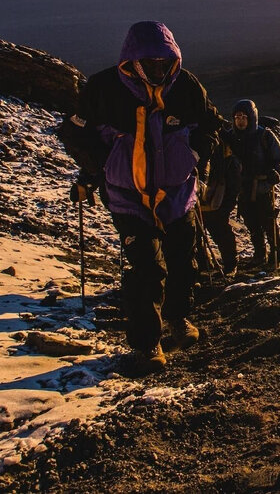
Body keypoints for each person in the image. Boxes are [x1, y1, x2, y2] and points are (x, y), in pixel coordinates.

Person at [58, 21, 221, 374]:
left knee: (183, 261)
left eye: (165, 63)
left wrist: (196, 158)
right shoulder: (103, 90)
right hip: (128, 197)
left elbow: (211, 125)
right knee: (147, 267)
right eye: (151, 63)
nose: (158, 70)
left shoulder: (187, 86)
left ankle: (178, 319)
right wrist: (97, 169)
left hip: (178, 194)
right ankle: (148, 345)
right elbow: (74, 133)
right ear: (132, 61)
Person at [225, 100, 280, 269]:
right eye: (237, 117)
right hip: (243, 188)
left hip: (263, 187)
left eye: (244, 117)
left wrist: (277, 173)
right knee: (252, 224)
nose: (240, 121)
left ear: (252, 117)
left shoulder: (264, 135)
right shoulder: (231, 136)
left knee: (268, 223)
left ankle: (275, 256)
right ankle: (259, 255)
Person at [199, 125, 242, 275]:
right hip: (205, 195)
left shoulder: (225, 152)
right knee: (201, 233)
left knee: (219, 231)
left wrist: (229, 203)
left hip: (216, 197)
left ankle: (229, 265)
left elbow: (233, 181)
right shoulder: (219, 144)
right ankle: (205, 265)